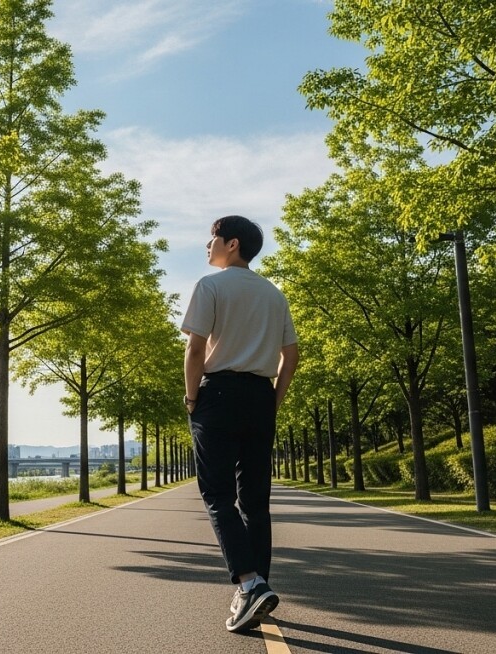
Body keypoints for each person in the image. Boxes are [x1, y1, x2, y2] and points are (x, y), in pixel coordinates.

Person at [181, 215, 298, 633]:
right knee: (255, 499)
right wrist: (273, 401)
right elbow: (291, 355)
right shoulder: (274, 294)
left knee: (216, 494)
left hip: (218, 394)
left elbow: (195, 350)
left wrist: (192, 398)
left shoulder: (210, 286)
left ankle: (248, 582)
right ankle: (258, 586)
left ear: (231, 244)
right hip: (260, 397)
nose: (207, 246)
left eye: (211, 239)